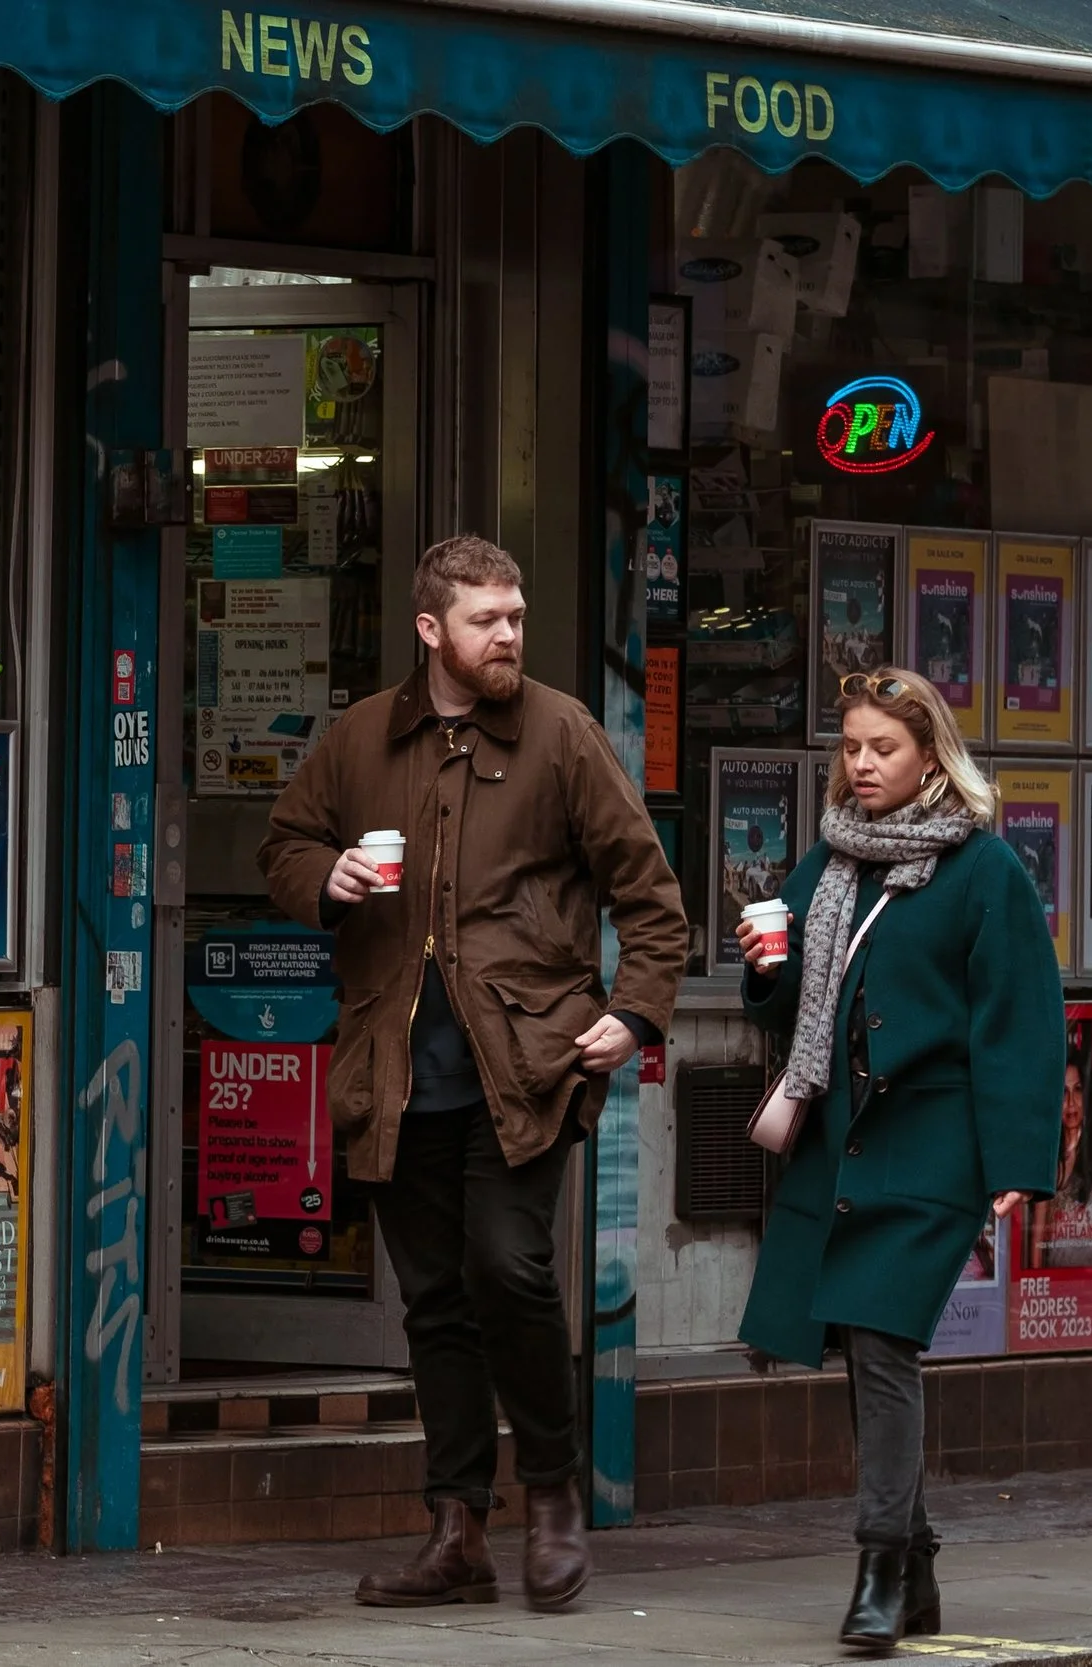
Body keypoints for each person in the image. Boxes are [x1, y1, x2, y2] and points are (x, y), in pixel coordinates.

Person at [258, 534, 686, 1613]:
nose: (508, 636)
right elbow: (281, 846)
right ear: (429, 629)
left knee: (509, 1267)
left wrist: (631, 1011)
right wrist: (331, 873)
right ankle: (454, 1528)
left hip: (528, 1064)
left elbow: (648, 893)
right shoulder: (361, 735)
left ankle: (551, 1493)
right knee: (436, 1300)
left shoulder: (558, 731)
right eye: (486, 619)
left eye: (516, 615)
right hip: (396, 1069)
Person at [735, 667, 1062, 1651]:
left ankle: (877, 1563)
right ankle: (912, 1561)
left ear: (929, 753)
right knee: (851, 1342)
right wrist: (764, 968)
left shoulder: (982, 870)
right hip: (841, 1142)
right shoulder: (828, 862)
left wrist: (1015, 1159)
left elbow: (1019, 1020)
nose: (863, 763)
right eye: (851, 747)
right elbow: (792, 995)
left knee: (881, 1340)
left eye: (883, 747)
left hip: (932, 1143)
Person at [1029, 1053, 1092, 1269]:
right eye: (1063, 1092)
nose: (1070, 1102)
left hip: (1088, 1287)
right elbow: (1038, 1238)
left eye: (1077, 1090)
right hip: (1056, 1290)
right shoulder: (1049, 1165)